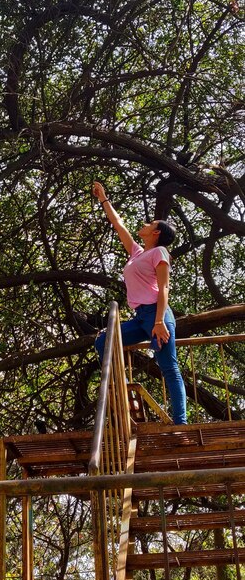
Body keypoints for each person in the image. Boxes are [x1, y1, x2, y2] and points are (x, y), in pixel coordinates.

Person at [92, 181, 187, 425]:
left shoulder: (160, 253)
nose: (144, 225)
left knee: (169, 367)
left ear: (156, 233)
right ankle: (125, 393)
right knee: (103, 341)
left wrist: (158, 322)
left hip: (157, 315)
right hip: (140, 316)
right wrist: (104, 198)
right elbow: (118, 224)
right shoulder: (137, 253)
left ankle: (181, 424)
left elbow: (164, 287)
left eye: (150, 224)